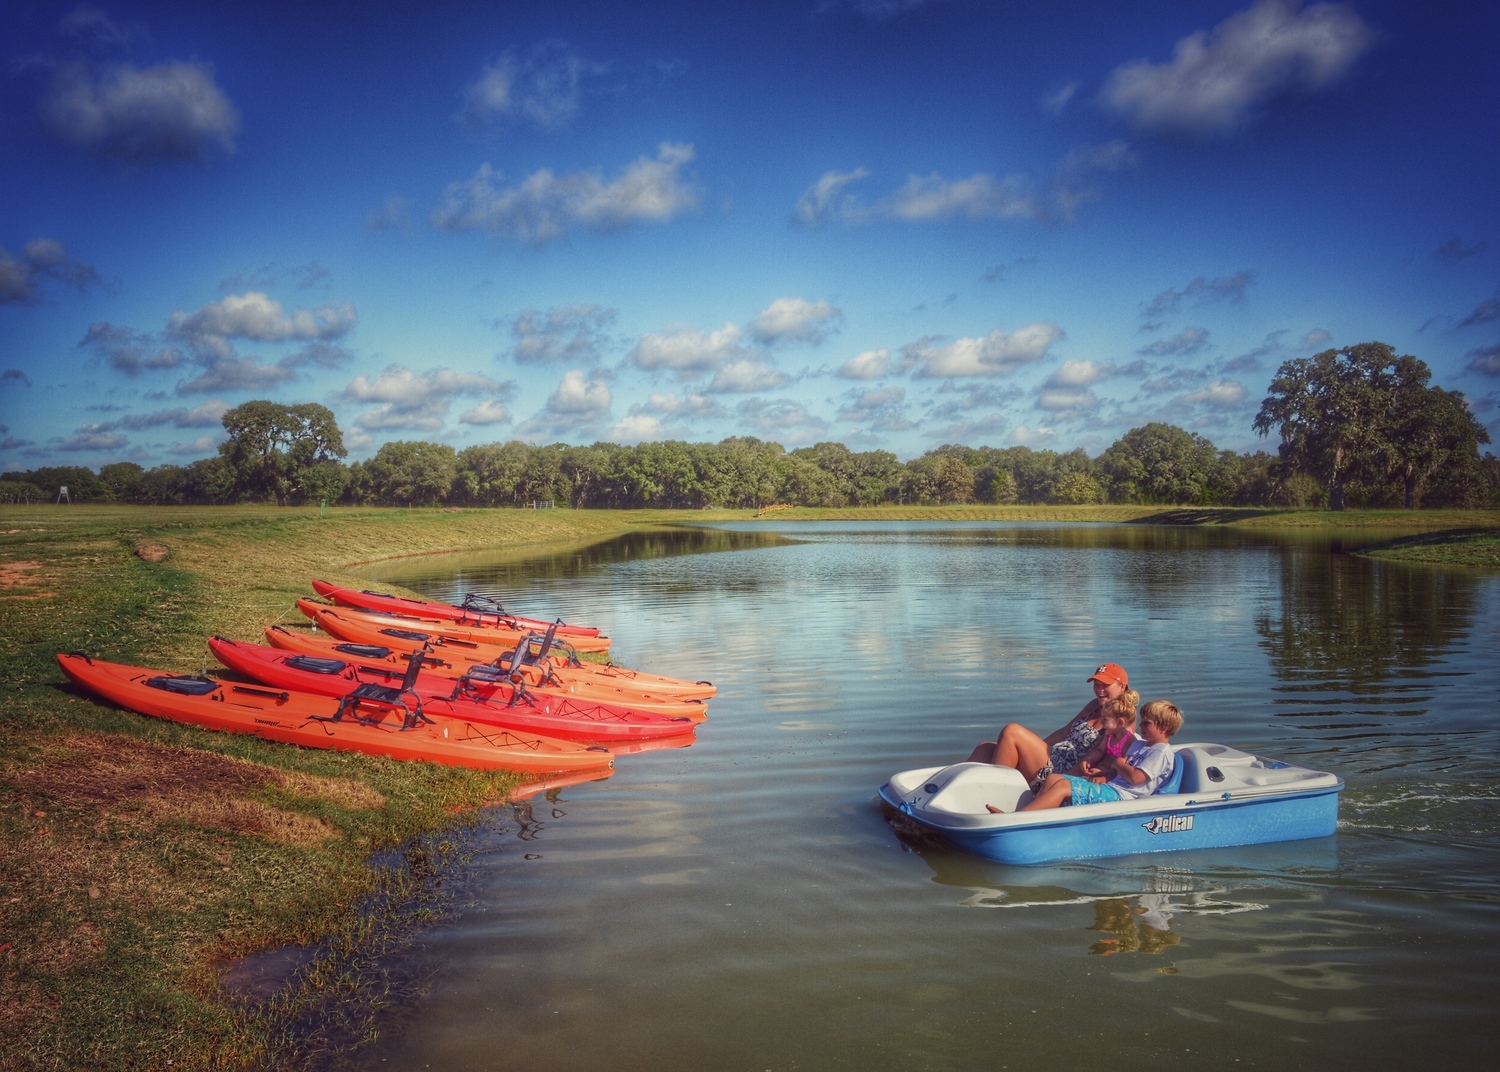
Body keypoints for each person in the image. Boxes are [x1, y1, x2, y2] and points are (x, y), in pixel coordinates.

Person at [966, 662, 1135, 793]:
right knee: (985, 748)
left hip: (1063, 770)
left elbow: (1116, 756)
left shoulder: (1123, 719)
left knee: (1012, 731)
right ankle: (954, 792)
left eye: (1105, 685)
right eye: (1096, 685)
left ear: (1122, 687)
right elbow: (1063, 732)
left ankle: (999, 794)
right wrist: (1030, 750)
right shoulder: (1094, 705)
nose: (1099, 690)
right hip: (1052, 755)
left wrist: (1100, 775)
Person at [990, 700, 1184, 813]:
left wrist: (1117, 763)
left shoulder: (1161, 752)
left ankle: (1018, 820)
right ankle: (1039, 816)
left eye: (1147, 723)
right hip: (1112, 788)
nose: (1141, 726)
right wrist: (1106, 771)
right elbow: (1122, 770)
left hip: (1122, 797)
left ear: (1164, 728)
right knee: (1053, 778)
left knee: (1063, 787)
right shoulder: (1141, 745)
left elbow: (1135, 777)